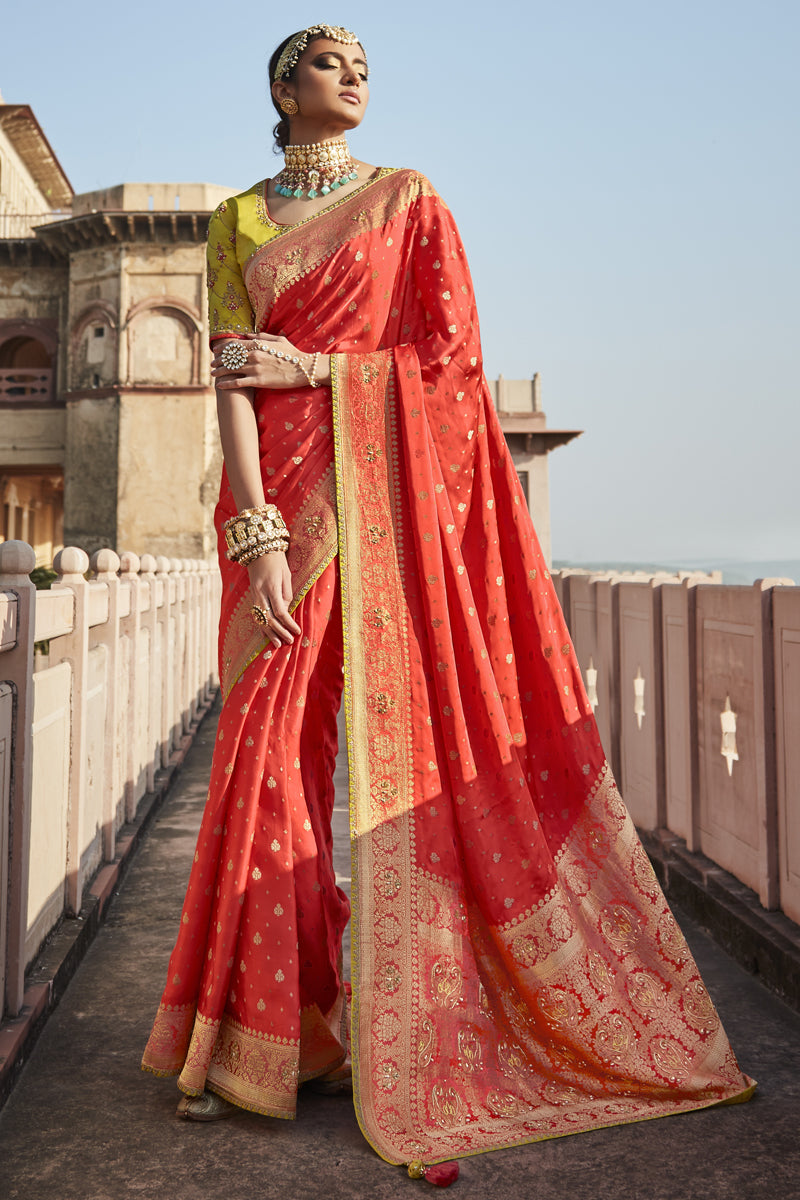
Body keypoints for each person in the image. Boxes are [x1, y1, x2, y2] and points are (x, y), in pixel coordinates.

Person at [142, 22, 754, 1180]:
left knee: (404, 760)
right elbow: (229, 377)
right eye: (330, 62)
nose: (356, 76)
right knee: (263, 754)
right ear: (282, 87)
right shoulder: (234, 221)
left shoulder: (409, 201)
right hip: (281, 517)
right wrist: (256, 531)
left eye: (365, 64)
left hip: (384, 517)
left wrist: (319, 368)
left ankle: (415, 1027)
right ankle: (264, 1039)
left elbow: (452, 360)